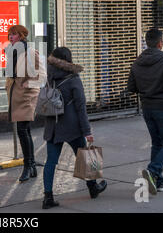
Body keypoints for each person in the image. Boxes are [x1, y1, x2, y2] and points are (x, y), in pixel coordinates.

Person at [41, 47, 107, 209]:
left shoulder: (49, 77)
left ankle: (47, 197)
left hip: (52, 126)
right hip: (71, 127)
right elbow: (80, 107)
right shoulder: (73, 78)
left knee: (50, 162)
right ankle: (93, 188)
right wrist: (87, 131)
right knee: (86, 156)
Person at [127, 28, 163, 195]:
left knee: (157, 143)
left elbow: (131, 87)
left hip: (148, 108)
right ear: (160, 43)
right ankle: (153, 170)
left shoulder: (137, 62)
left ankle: (158, 181)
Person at [5, 25, 46, 182]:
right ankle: (32, 166)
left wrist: (28, 84)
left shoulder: (30, 52)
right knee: (24, 130)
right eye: (9, 34)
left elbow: (41, 75)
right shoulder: (11, 52)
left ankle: (28, 165)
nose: (11, 37)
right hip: (15, 95)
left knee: (22, 129)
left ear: (21, 36)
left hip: (27, 96)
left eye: (14, 34)